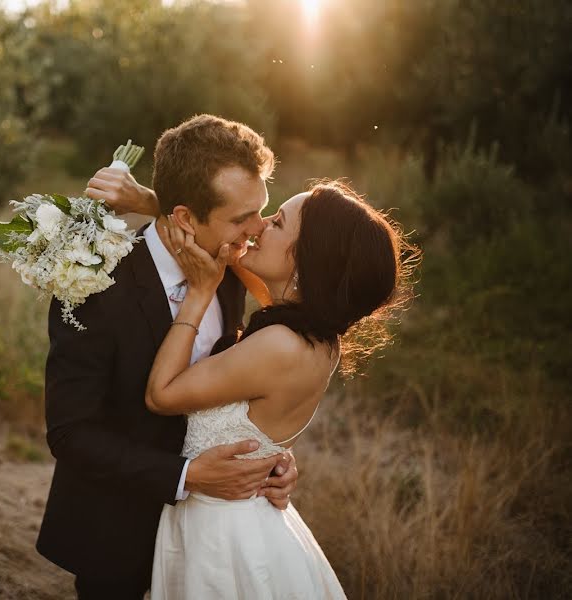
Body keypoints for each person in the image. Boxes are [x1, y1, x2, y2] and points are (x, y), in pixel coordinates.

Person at [36, 115, 300, 599]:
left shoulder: (230, 264)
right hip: (118, 531)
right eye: (242, 219)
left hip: (212, 538)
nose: (258, 230)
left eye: (261, 212)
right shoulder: (93, 287)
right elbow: (71, 432)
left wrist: (270, 460)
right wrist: (185, 476)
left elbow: (232, 386)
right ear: (184, 218)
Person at [143, 180, 417, 598]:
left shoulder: (279, 345)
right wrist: (153, 203)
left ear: (307, 260)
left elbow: (161, 395)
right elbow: (234, 258)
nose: (259, 224)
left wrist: (199, 293)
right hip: (248, 518)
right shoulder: (319, 336)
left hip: (220, 536)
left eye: (277, 222)